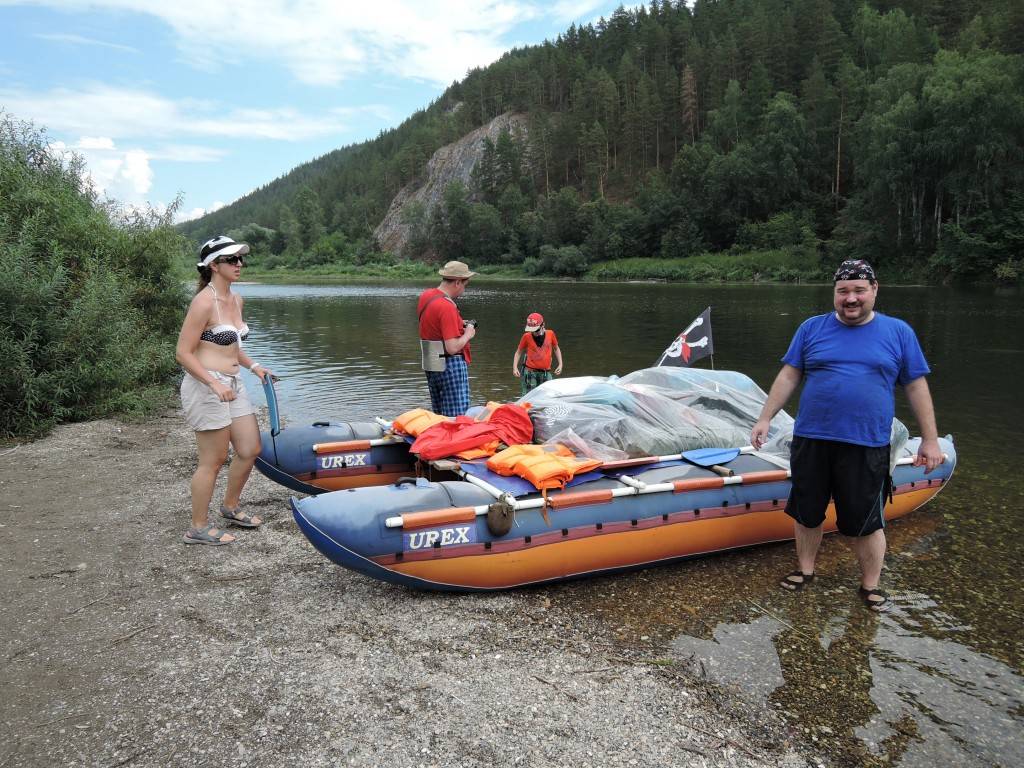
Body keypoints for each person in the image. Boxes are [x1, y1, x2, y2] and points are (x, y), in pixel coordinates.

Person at [750, 259, 943, 610]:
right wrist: (765, 418)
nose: (850, 298)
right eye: (843, 291)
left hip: (866, 443)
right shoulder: (811, 329)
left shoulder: (898, 332)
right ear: (834, 293)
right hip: (812, 439)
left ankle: (870, 585)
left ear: (874, 290)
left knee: (865, 521)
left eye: (858, 290)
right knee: (807, 512)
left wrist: (929, 439)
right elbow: (789, 376)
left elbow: (916, 386)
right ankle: (806, 570)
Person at [175, 235, 275, 545]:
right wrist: (213, 383)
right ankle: (198, 527)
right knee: (214, 459)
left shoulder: (236, 299)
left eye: (241, 259)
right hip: (206, 386)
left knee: (249, 449)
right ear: (213, 265)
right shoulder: (204, 301)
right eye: (232, 260)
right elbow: (183, 352)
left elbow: (232, 346)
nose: (239, 264)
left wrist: (255, 366)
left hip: (232, 384)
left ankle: (230, 507)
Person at [417, 260, 477, 416]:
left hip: (431, 361)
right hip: (451, 365)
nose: (464, 290)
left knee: (439, 415)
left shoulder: (426, 296)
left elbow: (434, 324)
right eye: (465, 285)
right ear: (457, 282)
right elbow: (452, 347)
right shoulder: (447, 306)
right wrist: (468, 334)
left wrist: (458, 323)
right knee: (455, 417)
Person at [512, 312, 563, 396]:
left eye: (536, 330)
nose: (534, 333)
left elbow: (556, 348)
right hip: (530, 372)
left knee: (548, 395)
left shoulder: (550, 334)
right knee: (529, 397)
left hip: (546, 372)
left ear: (543, 325)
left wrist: (560, 364)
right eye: (532, 331)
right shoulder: (526, 337)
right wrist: (514, 367)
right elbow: (518, 352)